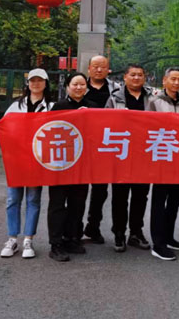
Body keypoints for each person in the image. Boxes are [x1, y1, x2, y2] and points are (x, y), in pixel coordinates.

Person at [0, 68, 52, 260]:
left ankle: (28, 239)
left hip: (38, 160)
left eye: (40, 80)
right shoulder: (16, 106)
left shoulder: (51, 107)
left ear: (46, 83)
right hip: (16, 159)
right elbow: (5, 127)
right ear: (27, 84)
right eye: (32, 80)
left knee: (33, 199)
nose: (36, 84)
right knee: (13, 199)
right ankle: (12, 238)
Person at [105, 63, 154, 252]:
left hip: (144, 153)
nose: (136, 78)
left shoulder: (151, 99)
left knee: (141, 196)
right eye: (132, 74)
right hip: (121, 154)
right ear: (125, 77)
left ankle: (136, 232)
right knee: (120, 196)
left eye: (140, 75)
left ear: (144, 78)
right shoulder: (114, 98)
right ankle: (119, 233)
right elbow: (104, 123)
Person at [47, 72, 95, 262]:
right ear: (67, 87)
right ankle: (55, 244)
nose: (78, 87)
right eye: (75, 84)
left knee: (78, 203)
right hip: (60, 163)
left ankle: (72, 238)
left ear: (87, 87)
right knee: (57, 204)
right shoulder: (58, 107)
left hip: (83, 163)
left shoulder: (93, 108)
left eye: (82, 84)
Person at [147, 67, 179, 261]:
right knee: (159, 200)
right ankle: (158, 244)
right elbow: (147, 127)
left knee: (175, 198)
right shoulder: (154, 101)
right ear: (164, 81)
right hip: (161, 156)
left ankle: (168, 236)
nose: (176, 83)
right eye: (172, 79)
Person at [82, 55, 120, 245]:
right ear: (89, 68)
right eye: (95, 66)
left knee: (100, 190)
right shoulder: (79, 86)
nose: (99, 70)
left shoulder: (116, 90)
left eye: (102, 67)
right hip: (82, 145)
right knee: (78, 189)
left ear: (108, 69)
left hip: (107, 145)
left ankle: (93, 227)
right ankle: (73, 230)